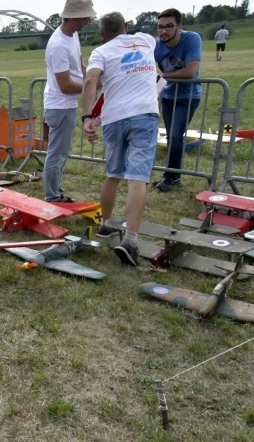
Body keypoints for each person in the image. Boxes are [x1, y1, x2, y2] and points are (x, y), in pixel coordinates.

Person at [82, 12, 160, 267]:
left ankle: (105, 225)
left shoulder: (101, 51)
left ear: (103, 34)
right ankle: (130, 240)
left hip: (115, 117)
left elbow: (91, 79)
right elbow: (166, 40)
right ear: (126, 27)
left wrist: (87, 117)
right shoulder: (147, 40)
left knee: (113, 174)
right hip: (144, 115)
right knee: (138, 178)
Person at [42, 0, 97, 203]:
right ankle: (53, 196)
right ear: (75, 17)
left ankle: (55, 191)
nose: (88, 20)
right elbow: (64, 85)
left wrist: (90, 77)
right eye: (86, 17)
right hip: (60, 106)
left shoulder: (72, 35)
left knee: (62, 151)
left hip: (65, 106)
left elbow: (79, 64)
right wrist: (90, 86)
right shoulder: (58, 45)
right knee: (57, 154)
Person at [153, 8, 202, 193]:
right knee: (172, 136)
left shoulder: (192, 39)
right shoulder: (156, 45)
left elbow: (190, 72)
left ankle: (171, 176)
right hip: (167, 95)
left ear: (179, 26)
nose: (163, 31)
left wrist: (163, 76)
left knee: (175, 136)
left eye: (169, 26)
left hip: (188, 96)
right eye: (160, 27)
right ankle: (173, 173)